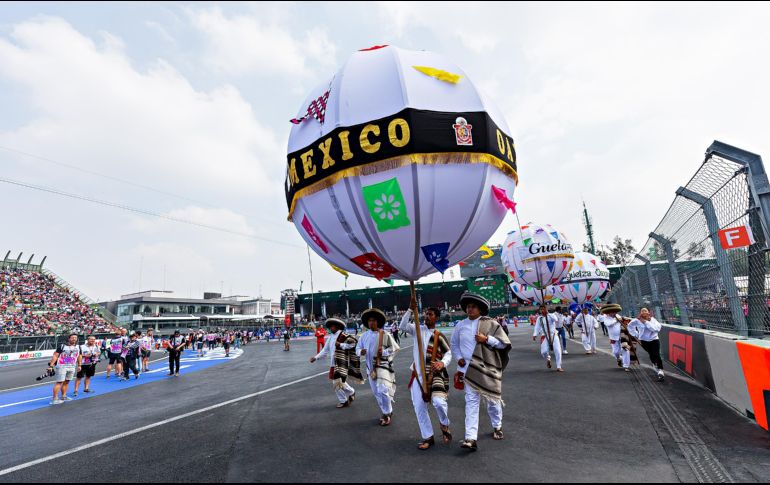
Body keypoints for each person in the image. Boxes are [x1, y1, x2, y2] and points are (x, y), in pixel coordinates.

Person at [451, 292, 511, 452]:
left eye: (473, 307)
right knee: (471, 402)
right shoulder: (460, 325)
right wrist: (458, 358)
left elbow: (503, 344)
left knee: (492, 401)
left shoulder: (490, 324)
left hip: (487, 368)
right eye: (468, 307)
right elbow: (454, 345)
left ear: (480, 309)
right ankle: (471, 438)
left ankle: (497, 426)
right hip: (468, 370)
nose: (470, 309)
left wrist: (486, 339)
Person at [400, 304, 453, 450]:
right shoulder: (417, 329)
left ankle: (444, 423)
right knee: (419, 407)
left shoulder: (438, 335)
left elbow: (448, 353)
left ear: (436, 317)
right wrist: (410, 309)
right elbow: (402, 325)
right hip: (417, 376)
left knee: (438, 402)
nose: (426, 316)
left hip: (434, 375)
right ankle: (428, 437)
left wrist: (442, 363)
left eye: (430, 314)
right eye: (425, 314)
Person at [356, 308, 400, 426]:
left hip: (383, 366)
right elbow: (357, 348)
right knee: (377, 393)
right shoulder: (363, 336)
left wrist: (384, 352)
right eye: (369, 320)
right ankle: (386, 410)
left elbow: (395, 348)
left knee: (383, 389)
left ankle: (387, 413)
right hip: (370, 369)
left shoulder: (385, 334)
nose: (371, 323)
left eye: (374, 320)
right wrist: (361, 352)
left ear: (378, 322)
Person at [310, 318, 362, 408]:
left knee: (336, 382)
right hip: (333, 363)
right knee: (338, 382)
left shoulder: (344, 335)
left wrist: (341, 345)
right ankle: (350, 393)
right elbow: (325, 350)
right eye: (330, 326)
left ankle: (345, 399)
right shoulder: (330, 338)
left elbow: (353, 344)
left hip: (342, 362)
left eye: (332, 326)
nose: (330, 328)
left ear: (337, 326)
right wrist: (316, 357)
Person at [628, 308, 665, 381]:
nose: (644, 312)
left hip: (654, 340)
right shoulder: (637, 320)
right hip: (644, 341)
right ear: (640, 313)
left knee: (656, 354)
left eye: (645, 311)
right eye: (642, 311)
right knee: (651, 354)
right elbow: (630, 326)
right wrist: (636, 334)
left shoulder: (653, 320)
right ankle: (654, 364)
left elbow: (656, 329)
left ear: (648, 312)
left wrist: (645, 322)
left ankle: (660, 370)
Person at [48, 333, 81, 405]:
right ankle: (55, 398)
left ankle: (63, 396)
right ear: (69, 338)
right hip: (62, 366)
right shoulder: (62, 346)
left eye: (75, 338)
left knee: (67, 382)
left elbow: (79, 356)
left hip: (72, 366)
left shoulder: (78, 347)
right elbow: (55, 356)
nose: (74, 339)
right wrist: (51, 366)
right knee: (59, 382)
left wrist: (79, 365)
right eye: (72, 337)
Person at [533, 305, 564, 372]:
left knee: (558, 350)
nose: (542, 310)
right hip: (544, 335)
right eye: (541, 309)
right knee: (543, 352)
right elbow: (537, 327)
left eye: (543, 309)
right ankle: (548, 358)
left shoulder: (551, 315)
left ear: (546, 309)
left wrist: (548, 314)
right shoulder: (539, 318)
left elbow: (555, 319)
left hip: (554, 335)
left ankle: (559, 366)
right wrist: (535, 334)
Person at [599, 304, 630, 370]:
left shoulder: (618, 316)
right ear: (609, 312)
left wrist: (625, 319)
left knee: (625, 349)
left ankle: (626, 365)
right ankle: (619, 358)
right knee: (616, 352)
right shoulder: (606, 318)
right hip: (613, 338)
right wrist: (616, 320)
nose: (614, 313)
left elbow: (624, 320)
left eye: (615, 311)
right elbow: (608, 324)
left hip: (622, 336)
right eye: (612, 312)